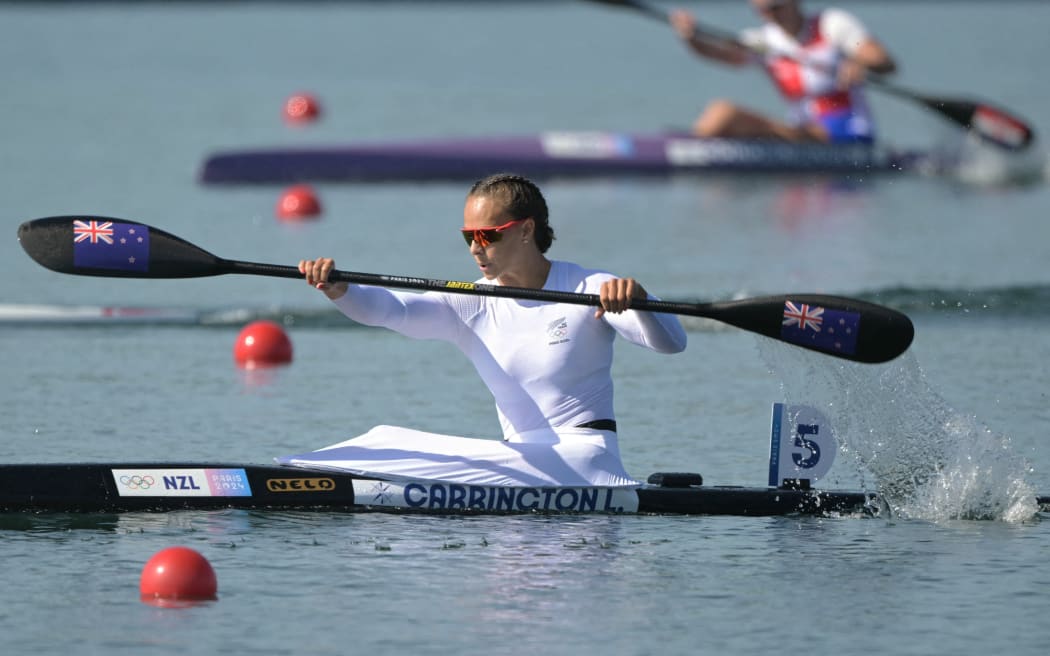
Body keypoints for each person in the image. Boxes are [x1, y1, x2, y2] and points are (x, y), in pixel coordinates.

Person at [292, 173, 687, 489]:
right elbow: (392, 310)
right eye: (468, 236)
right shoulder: (472, 302)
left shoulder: (589, 288)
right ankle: (301, 472)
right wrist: (339, 289)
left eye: (487, 235)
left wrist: (640, 301)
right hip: (521, 464)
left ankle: (302, 478)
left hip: (586, 461)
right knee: (383, 439)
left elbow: (672, 343)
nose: (475, 249)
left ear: (526, 230)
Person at [669, 0, 897, 143]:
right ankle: (693, 146)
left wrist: (861, 63)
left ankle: (687, 148)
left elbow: (881, 58)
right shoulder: (763, 41)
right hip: (800, 131)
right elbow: (721, 54)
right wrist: (690, 38)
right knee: (720, 117)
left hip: (846, 132)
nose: (770, 15)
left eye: (775, 7)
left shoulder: (832, 25)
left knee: (725, 112)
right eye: (762, 10)